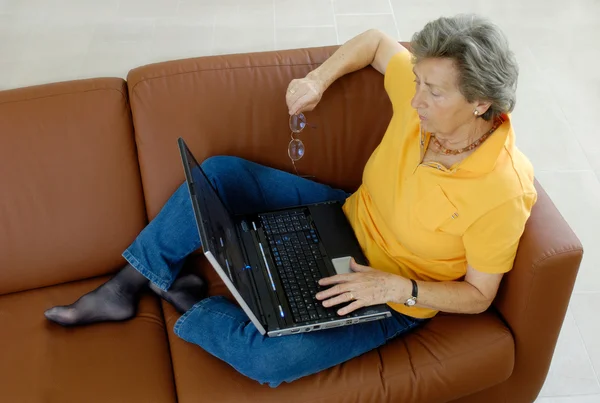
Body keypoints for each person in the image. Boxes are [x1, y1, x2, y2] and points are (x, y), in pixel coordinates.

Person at [44, 14, 537, 388]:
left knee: (269, 362)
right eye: (419, 82)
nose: (415, 100)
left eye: (432, 92)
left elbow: (479, 295)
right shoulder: (425, 96)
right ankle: (126, 285)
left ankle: (191, 302)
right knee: (220, 174)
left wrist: (396, 287)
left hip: (392, 294)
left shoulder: (502, 191)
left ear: (480, 103)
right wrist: (317, 81)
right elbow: (374, 42)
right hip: (346, 216)